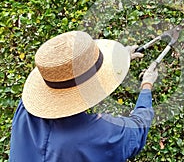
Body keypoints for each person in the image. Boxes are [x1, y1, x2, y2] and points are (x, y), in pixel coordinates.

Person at [9, 31, 158, 162]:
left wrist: (120, 60)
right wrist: (147, 85)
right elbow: (138, 129)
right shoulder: (103, 133)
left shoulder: (26, 108)